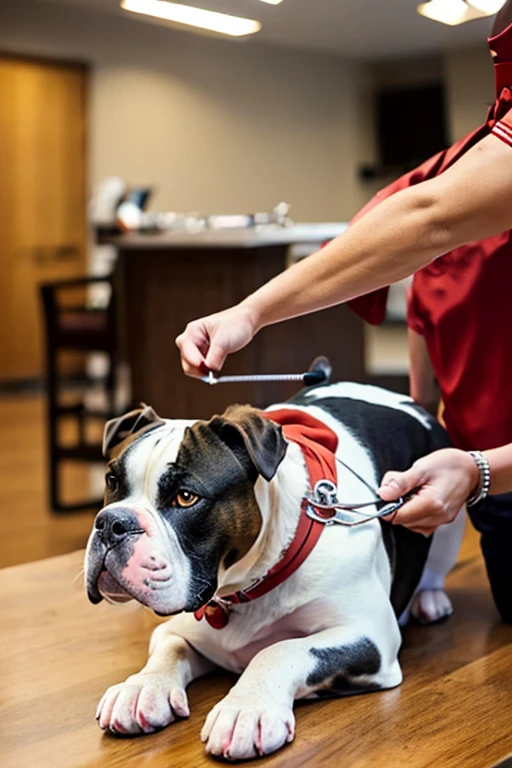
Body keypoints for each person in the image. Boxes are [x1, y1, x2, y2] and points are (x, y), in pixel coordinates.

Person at [176, 5, 512, 619]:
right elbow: (421, 235)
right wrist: (249, 314)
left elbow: (429, 219)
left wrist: (482, 469)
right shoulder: (447, 176)